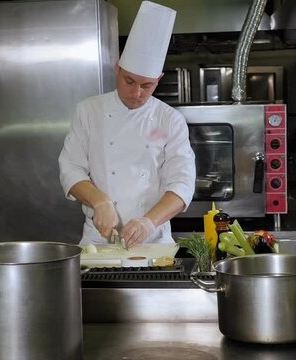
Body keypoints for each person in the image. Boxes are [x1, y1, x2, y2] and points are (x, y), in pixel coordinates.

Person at [58, 1, 195, 248]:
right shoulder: (89, 110)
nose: (136, 93)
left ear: (159, 80)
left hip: (154, 242)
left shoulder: (170, 119)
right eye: (129, 81)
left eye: (147, 85)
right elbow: (71, 168)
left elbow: (182, 184)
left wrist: (149, 222)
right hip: (98, 242)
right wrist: (99, 201)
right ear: (117, 69)